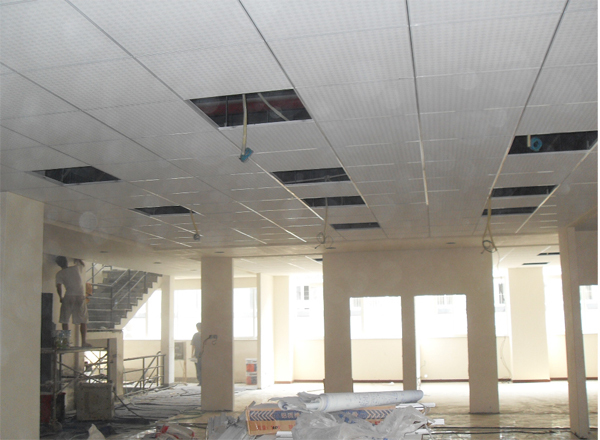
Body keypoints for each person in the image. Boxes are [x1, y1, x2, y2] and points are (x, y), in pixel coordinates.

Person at [55, 256, 91, 347]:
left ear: (58, 264)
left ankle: (66, 342)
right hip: (80, 295)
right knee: (83, 320)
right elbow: (82, 264)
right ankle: (84, 342)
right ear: (66, 262)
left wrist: (60, 297)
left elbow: (59, 287)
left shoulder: (59, 274)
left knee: (65, 320)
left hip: (69, 295)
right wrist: (77, 259)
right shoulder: (76, 268)